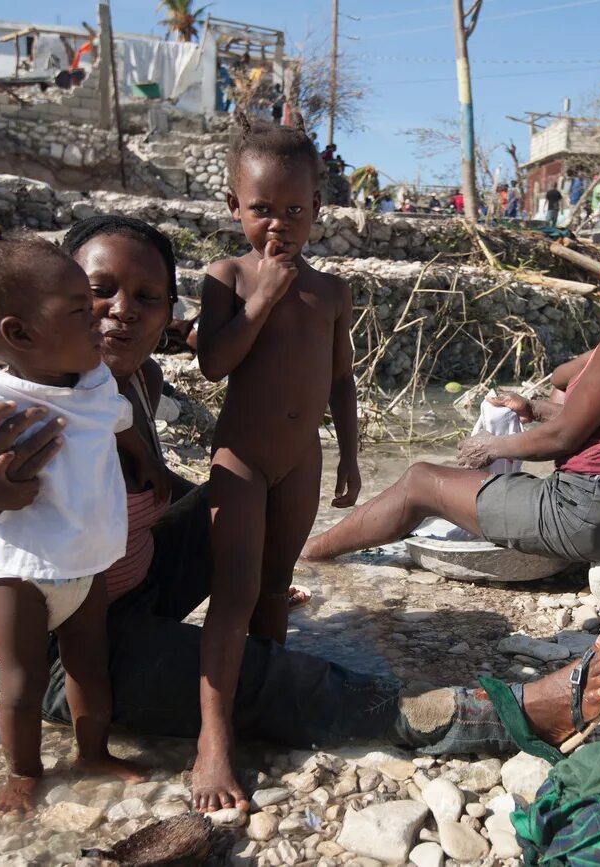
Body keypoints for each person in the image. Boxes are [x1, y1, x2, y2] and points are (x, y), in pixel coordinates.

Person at [0, 215, 600, 814]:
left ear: (172, 315)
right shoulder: (18, 412)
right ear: (49, 306)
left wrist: (224, 534)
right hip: (69, 645)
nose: (116, 312)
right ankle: (489, 712)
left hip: (129, 588)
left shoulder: (128, 380)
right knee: (265, 680)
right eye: (93, 294)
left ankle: (252, 601)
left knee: (235, 497)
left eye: (146, 297)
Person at [302, 201, 600, 566]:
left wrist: (492, 445)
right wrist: (533, 409)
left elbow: (565, 436)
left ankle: (308, 555)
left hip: (594, 519)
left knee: (420, 481)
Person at [0, 236, 159, 812]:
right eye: (76, 307)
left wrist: (146, 461)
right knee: (20, 682)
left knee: (91, 669)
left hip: (88, 562)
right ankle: (22, 773)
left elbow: (119, 426)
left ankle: (92, 753)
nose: (97, 314)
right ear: (19, 335)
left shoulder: (94, 383)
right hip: (17, 571)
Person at [193, 114, 362, 811]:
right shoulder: (227, 275)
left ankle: (259, 697)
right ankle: (212, 738)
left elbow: (341, 378)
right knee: (231, 594)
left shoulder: (330, 292)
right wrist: (260, 298)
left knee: (273, 587)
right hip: (242, 461)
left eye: (294, 209)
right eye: (261, 208)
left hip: (303, 462)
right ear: (235, 207)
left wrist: (352, 453)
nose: (278, 224)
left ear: (317, 211)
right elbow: (211, 363)